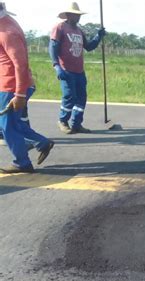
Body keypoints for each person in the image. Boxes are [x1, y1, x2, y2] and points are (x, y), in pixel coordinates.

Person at [0, 2, 54, 174]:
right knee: (12, 123)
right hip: (11, 85)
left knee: (7, 126)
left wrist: (19, 94)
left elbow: (20, 64)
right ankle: (40, 143)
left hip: (11, 86)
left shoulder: (7, 31)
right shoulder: (5, 24)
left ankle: (22, 162)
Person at [49, 2, 105, 134]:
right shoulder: (60, 27)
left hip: (79, 71)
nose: (78, 17)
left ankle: (76, 124)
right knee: (69, 96)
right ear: (68, 15)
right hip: (66, 69)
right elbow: (52, 47)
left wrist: (98, 36)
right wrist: (56, 66)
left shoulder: (79, 31)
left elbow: (89, 47)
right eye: (75, 15)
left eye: (79, 15)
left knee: (81, 98)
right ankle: (63, 121)